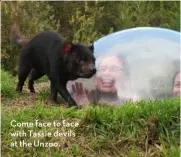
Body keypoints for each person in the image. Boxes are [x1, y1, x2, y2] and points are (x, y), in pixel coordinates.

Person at [71, 55, 139, 105]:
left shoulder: (133, 103)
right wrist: (82, 105)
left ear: (126, 78)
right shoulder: (82, 96)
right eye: (102, 69)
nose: (106, 73)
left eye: (114, 69)